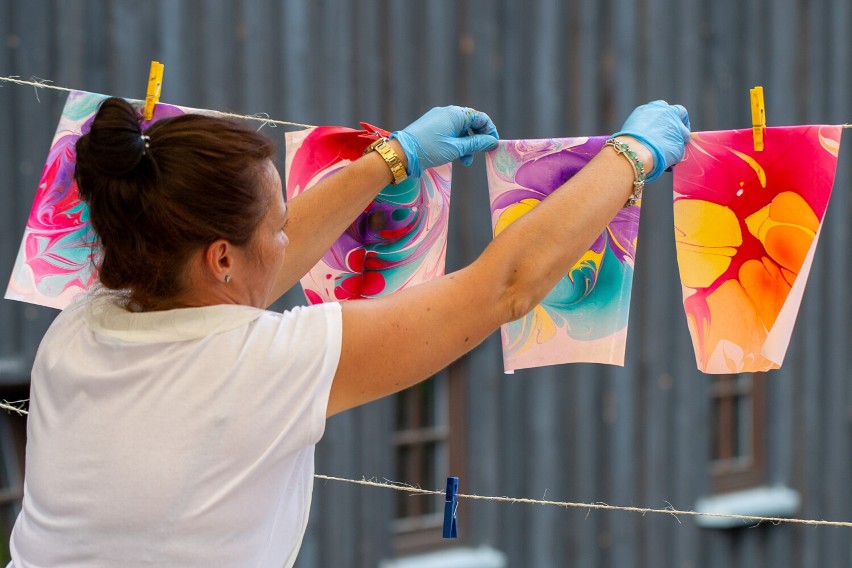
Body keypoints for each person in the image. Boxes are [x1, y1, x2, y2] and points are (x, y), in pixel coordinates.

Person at [7, 97, 689, 567]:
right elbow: (502, 288)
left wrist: (390, 160)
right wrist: (627, 158)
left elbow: (240, 281)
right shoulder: (264, 365)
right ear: (218, 256)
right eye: (276, 226)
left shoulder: (80, 329)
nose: (287, 235)